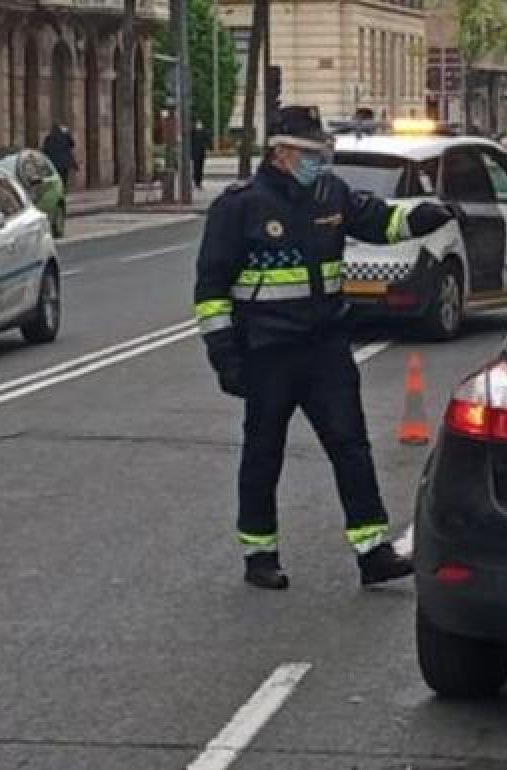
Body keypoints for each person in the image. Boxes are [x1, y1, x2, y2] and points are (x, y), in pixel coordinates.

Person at [193, 106, 454, 591]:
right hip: (268, 351)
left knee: (351, 448)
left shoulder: (329, 194)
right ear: (281, 152)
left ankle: (372, 552)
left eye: (323, 151)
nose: (322, 160)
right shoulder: (240, 207)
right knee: (262, 454)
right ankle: (259, 553)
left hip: (326, 348)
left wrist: (422, 216)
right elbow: (211, 290)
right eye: (312, 153)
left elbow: (378, 221)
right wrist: (225, 356)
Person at [191, 120, 212, 190]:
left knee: (200, 168)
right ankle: (196, 182)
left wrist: (205, 146)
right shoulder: (193, 132)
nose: (199, 125)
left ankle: (199, 182)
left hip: (201, 153)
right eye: (198, 124)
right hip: (195, 153)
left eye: (200, 124)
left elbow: (208, 140)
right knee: (196, 168)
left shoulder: (204, 132)